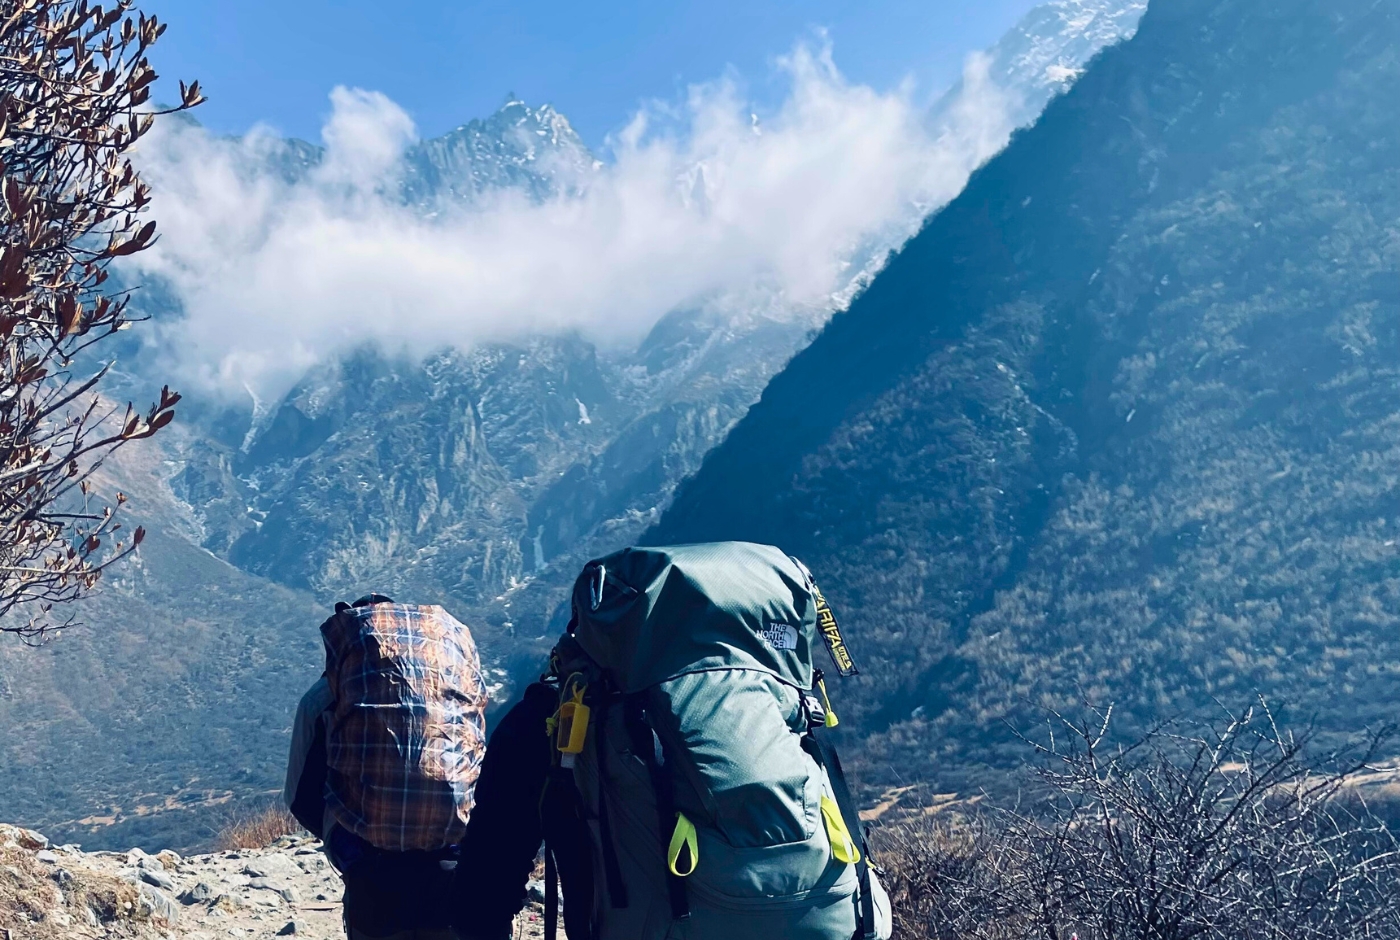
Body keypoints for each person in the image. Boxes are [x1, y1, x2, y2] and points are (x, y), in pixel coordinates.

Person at [286, 593, 487, 940]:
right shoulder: (452, 686)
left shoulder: (323, 697)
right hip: (451, 864)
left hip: (370, 870)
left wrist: (353, 836)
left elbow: (300, 798)